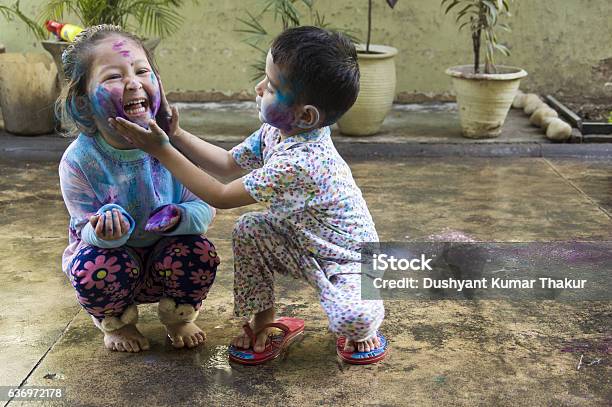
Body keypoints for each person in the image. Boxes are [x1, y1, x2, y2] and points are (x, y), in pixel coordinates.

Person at [111, 26, 387, 364]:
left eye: (271, 86)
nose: (259, 88)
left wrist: (162, 150)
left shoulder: (303, 162)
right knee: (251, 228)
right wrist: (177, 134)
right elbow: (227, 165)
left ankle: (366, 321)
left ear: (306, 115)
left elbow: (222, 194)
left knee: (352, 320)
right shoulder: (277, 130)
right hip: (302, 243)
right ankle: (265, 323)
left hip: (350, 260)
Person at [58, 25, 219, 353]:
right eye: (113, 77)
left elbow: (206, 206)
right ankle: (117, 323)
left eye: (142, 70)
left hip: (167, 259)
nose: (133, 82)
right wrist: (103, 232)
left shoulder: (173, 145)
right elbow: (81, 229)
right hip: (115, 265)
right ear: (84, 102)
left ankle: (178, 316)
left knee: (200, 252)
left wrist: (180, 217)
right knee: (91, 266)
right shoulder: (79, 160)